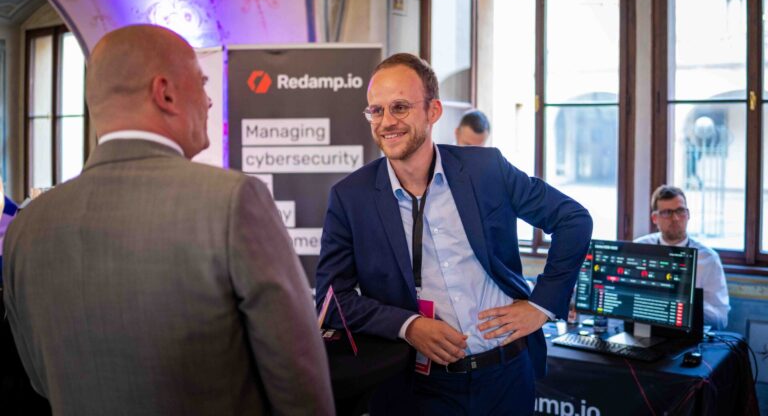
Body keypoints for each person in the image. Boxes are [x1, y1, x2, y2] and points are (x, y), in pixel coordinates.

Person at [2, 24, 334, 416]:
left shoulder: (27, 225)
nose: (209, 101)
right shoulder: (233, 200)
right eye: (202, 83)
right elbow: (299, 381)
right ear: (166, 93)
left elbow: (39, 378)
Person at [316, 53, 592, 415]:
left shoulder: (485, 169)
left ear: (433, 111)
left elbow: (573, 220)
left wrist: (541, 305)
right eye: (376, 111)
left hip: (507, 377)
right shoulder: (351, 197)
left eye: (400, 107)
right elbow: (332, 299)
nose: (387, 122)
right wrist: (408, 326)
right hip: (416, 389)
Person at [635, 184, 730, 329]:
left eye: (680, 211)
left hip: (688, 335)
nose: (675, 218)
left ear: (688, 215)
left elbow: (721, 320)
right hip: (642, 330)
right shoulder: (639, 249)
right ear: (655, 218)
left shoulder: (709, 258)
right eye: (667, 212)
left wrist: (688, 300)